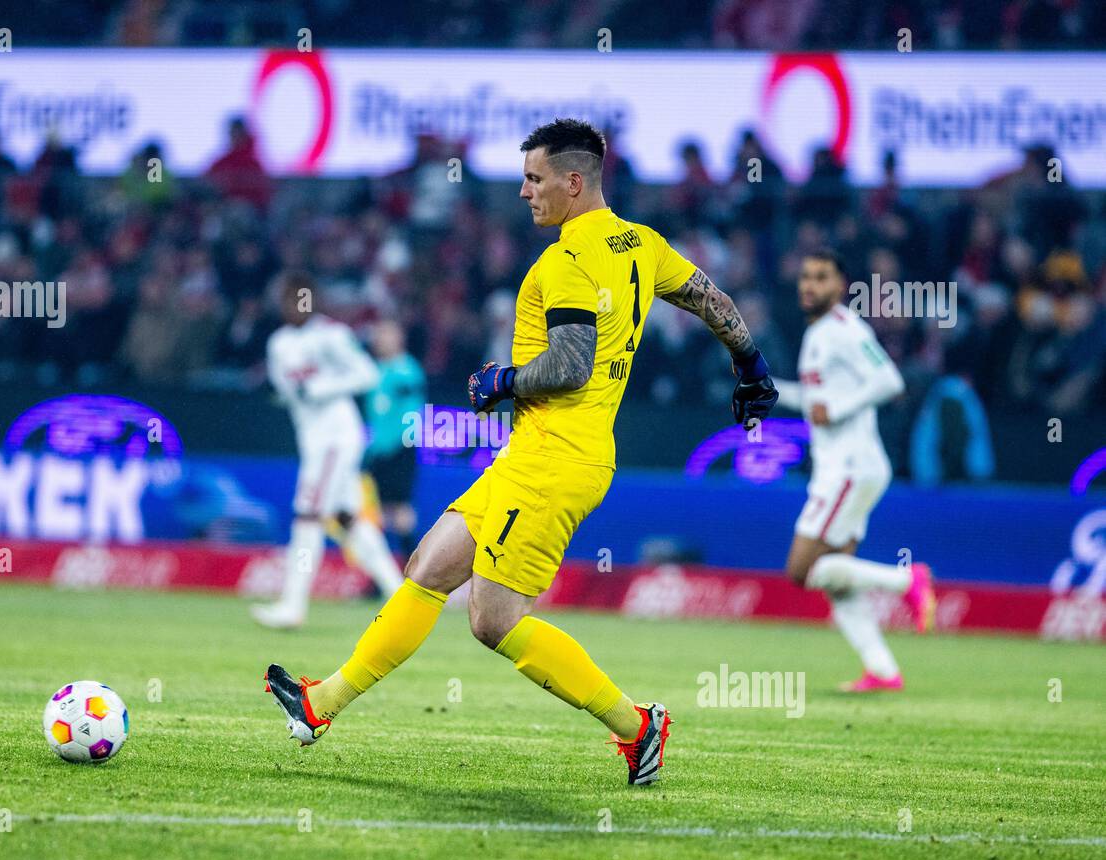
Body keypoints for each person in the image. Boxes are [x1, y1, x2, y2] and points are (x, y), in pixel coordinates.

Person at [263, 119, 779, 786]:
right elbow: (710, 298)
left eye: (535, 179)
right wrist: (752, 366)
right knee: (427, 564)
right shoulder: (640, 244)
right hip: (544, 451)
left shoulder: (567, 261)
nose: (524, 191)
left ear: (573, 181)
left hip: (554, 458)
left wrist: (500, 381)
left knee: (494, 620)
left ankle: (639, 726)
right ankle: (318, 705)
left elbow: (570, 363)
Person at [771, 249, 936, 691]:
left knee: (802, 571)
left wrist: (839, 408)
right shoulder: (818, 333)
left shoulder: (845, 328)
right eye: (805, 276)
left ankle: (907, 580)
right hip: (843, 468)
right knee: (837, 582)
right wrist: (770, 392)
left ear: (840, 286)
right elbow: (816, 403)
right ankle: (883, 670)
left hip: (849, 468)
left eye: (820, 277)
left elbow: (890, 381)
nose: (810, 285)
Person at [254, 273, 405, 630]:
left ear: (312, 301)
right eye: (288, 300)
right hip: (313, 438)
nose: (294, 307)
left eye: (300, 299)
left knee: (308, 515)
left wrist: (322, 387)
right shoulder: (279, 344)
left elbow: (367, 374)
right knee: (346, 516)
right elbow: (283, 390)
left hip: (336, 437)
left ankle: (293, 605)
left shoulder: (332, 336)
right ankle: (400, 595)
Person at [363, 319, 426, 555]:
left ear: (399, 339)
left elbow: (412, 405)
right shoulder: (375, 370)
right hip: (379, 450)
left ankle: (411, 568)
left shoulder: (407, 369)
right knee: (380, 511)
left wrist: (401, 443)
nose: (380, 339)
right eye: (379, 335)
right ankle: (383, 571)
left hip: (400, 448)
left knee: (401, 509)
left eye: (386, 334)